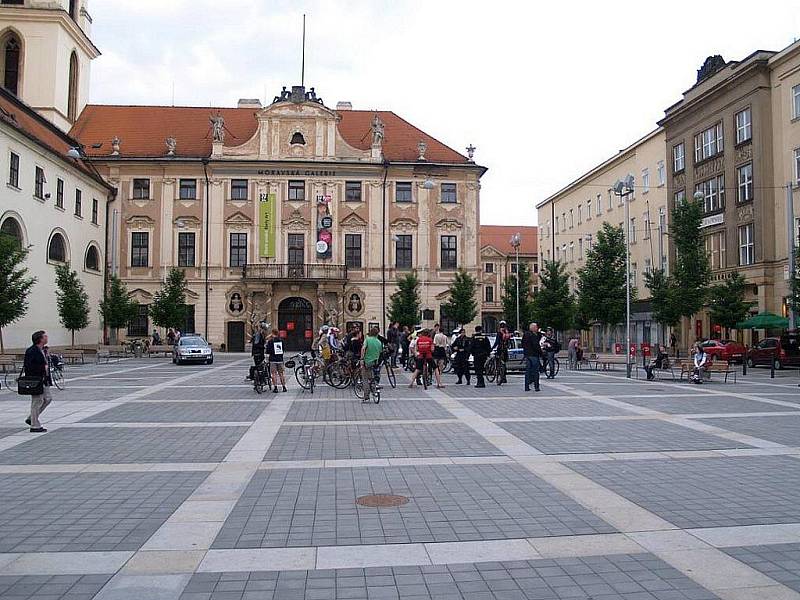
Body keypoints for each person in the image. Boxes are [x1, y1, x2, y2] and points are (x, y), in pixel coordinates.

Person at [23, 330, 52, 433]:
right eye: (45, 336)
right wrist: (43, 368)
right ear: (40, 339)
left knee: (48, 399)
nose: (47, 337)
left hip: (44, 380)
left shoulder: (42, 350)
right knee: (37, 401)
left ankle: (32, 418)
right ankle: (34, 425)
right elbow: (29, 367)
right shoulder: (32, 351)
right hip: (36, 380)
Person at [522, 323, 543, 392]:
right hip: (534, 355)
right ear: (533, 328)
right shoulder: (533, 335)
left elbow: (522, 344)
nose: (537, 328)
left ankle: (526, 386)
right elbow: (536, 345)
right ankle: (536, 387)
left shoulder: (525, 334)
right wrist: (541, 353)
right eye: (536, 327)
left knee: (527, 372)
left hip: (527, 355)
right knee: (535, 371)